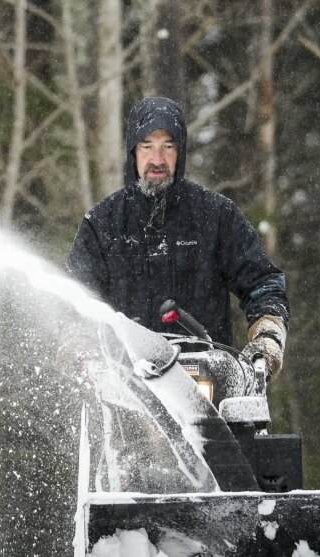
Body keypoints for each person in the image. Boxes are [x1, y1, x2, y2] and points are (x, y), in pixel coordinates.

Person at [65, 96, 288, 377]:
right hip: (126, 381)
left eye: (167, 146)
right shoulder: (102, 223)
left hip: (208, 380)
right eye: (147, 146)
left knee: (247, 415)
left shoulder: (216, 216)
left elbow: (262, 282)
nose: (157, 159)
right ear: (132, 151)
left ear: (180, 152)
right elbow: (76, 298)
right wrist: (79, 344)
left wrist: (267, 336)